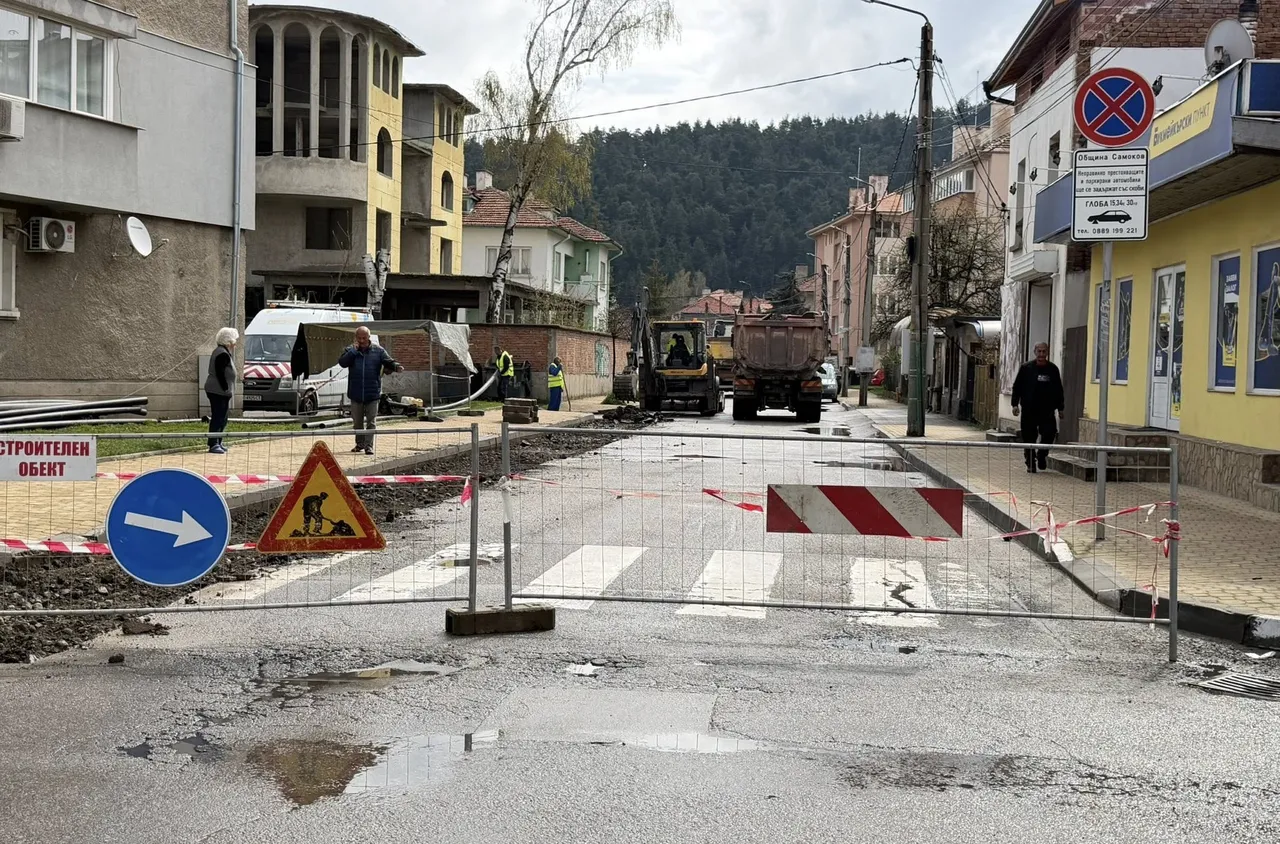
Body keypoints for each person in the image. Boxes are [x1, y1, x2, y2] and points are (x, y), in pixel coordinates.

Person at [338, 326, 402, 456]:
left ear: (369, 337)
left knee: (371, 422)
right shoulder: (350, 350)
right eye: (359, 338)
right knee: (357, 422)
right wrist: (353, 352)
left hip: (373, 393)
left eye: (364, 338)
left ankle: (369, 446)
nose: (362, 340)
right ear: (356, 338)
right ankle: (359, 444)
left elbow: (388, 361)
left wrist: (396, 366)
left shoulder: (378, 351)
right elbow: (342, 363)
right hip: (356, 393)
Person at [1011, 342, 1065, 473]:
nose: (1041, 354)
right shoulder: (1026, 368)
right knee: (1029, 437)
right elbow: (1017, 387)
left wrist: (1060, 408)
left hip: (1047, 410)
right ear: (1035, 352)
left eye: (1044, 351)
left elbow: (1058, 389)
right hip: (1029, 409)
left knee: (1049, 433)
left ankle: (1042, 455)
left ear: (1047, 352)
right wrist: (1014, 404)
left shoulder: (1053, 369)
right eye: (1039, 351)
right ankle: (1030, 462)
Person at [204, 327, 238, 455]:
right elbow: (220, 373)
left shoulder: (222, 351)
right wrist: (225, 388)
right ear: (228, 341)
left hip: (221, 391)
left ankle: (218, 441)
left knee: (223, 417)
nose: (235, 344)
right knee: (218, 417)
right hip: (218, 391)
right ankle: (213, 443)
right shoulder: (222, 353)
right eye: (234, 341)